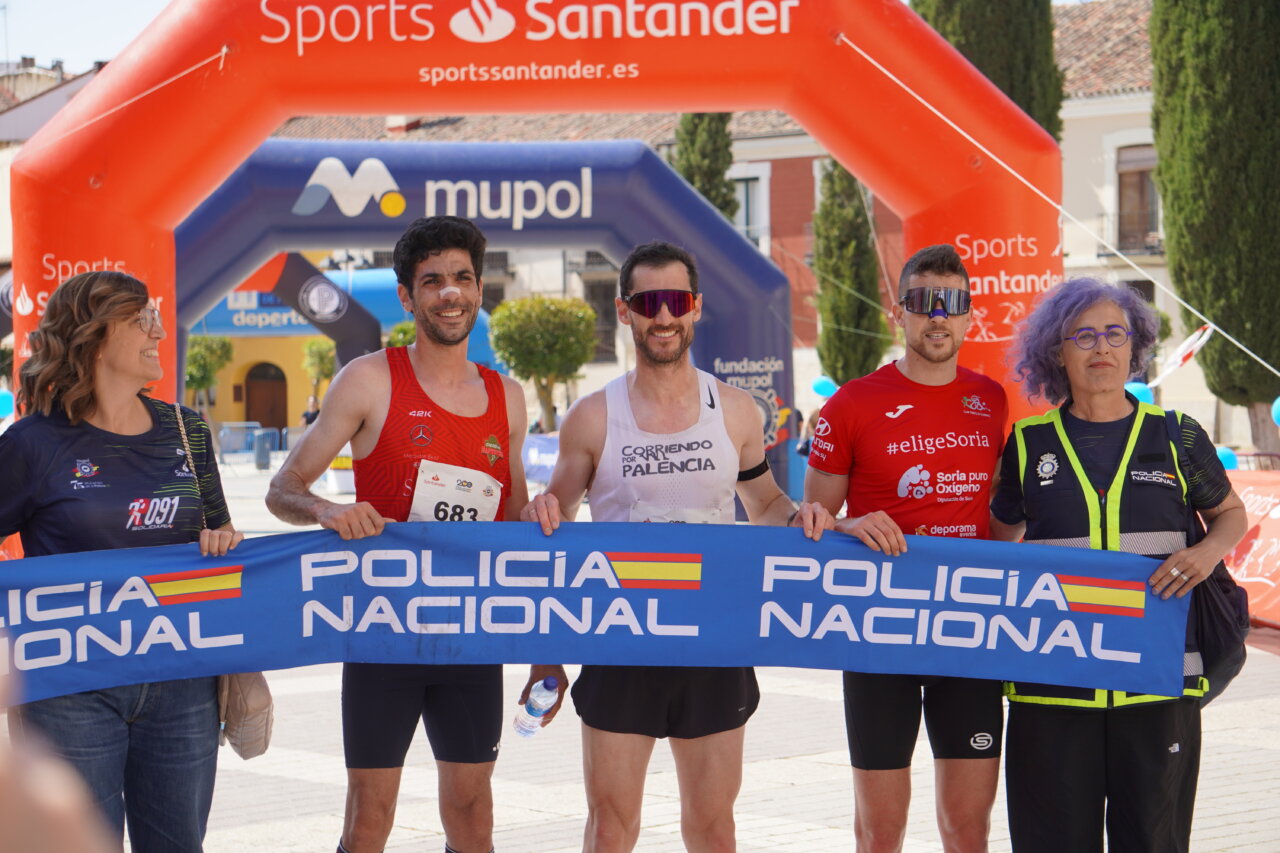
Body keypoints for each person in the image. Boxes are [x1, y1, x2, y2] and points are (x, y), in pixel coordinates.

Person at [522, 241, 834, 853]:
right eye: (648, 302)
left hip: (711, 639)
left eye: (676, 301)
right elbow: (550, 532)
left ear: (696, 308)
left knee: (713, 828)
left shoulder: (737, 411)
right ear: (625, 311)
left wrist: (811, 521)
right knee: (611, 827)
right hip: (620, 639)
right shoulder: (591, 417)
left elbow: (767, 505)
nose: (663, 317)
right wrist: (544, 656)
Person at [266, 216, 562, 853]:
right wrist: (325, 509)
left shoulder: (507, 397)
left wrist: (544, 649)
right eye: (432, 282)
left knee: (473, 813)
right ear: (407, 296)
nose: (449, 293)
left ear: (480, 290)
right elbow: (282, 489)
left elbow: (511, 522)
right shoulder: (369, 379)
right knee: (370, 820)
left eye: (461, 279)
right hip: (382, 633)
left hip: (472, 637)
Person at [989, 277, 1246, 853]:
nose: (1101, 347)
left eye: (1114, 333)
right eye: (1083, 335)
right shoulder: (1028, 445)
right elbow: (998, 545)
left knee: (1154, 842)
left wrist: (1205, 552)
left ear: (1136, 347)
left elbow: (1230, 513)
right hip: (1053, 686)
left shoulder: (1176, 436)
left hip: (1156, 682)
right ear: (1058, 351)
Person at [0, 270, 243, 850]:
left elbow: (220, 531)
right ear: (95, 334)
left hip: (183, 683)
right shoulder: (31, 444)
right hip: (71, 689)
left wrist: (222, 545)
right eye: (142, 319)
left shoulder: (186, 430)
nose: (159, 330)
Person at [803, 244, 1008, 853]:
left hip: (967, 629)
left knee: (968, 829)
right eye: (923, 303)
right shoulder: (851, 404)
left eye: (952, 304)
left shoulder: (991, 400)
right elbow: (814, 520)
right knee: (880, 830)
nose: (937, 317)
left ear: (970, 316)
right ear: (900, 313)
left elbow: (1002, 516)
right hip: (879, 631)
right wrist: (847, 524)